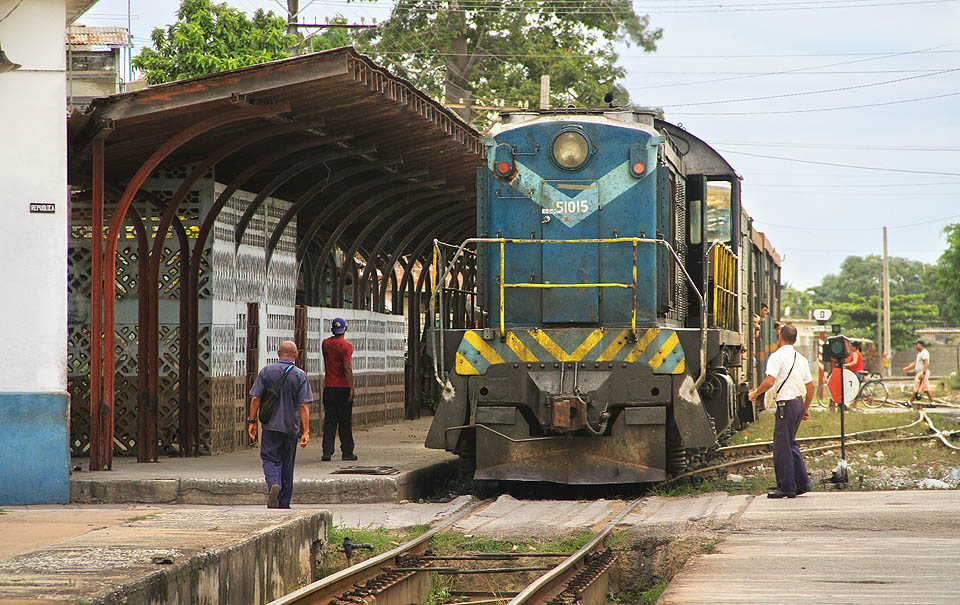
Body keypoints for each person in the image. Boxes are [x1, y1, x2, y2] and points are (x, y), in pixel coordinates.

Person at [748, 324, 815, 498]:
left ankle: (786, 487)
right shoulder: (801, 358)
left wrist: (756, 392)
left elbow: (770, 381)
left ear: (779, 337)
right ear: (795, 339)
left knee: (781, 446)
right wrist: (806, 408)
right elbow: (811, 386)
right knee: (790, 443)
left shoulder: (776, 357)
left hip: (786, 405)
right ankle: (802, 483)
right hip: (798, 403)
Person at [247, 341, 313, 509]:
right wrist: (306, 431)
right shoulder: (300, 375)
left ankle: (273, 484)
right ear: (295, 354)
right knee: (287, 464)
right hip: (291, 427)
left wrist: (252, 421)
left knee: (270, 459)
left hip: (270, 426)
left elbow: (255, 399)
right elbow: (304, 405)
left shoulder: (266, 372)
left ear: (278, 353)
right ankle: (283, 503)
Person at [321, 317, 357, 461]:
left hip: (329, 387)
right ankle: (347, 452)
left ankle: (327, 451)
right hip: (343, 388)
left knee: (330, 421)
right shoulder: (346, 346)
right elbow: (347, 367)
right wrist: (351, 388)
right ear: (345, 329)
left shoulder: (325, 344)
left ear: (332, 330)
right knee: (345, 421)